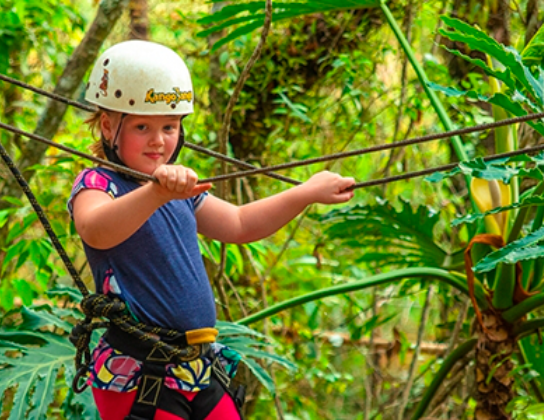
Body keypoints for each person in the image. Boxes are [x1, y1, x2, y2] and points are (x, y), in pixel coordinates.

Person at [68, 40, 355, 420]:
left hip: (198, 367)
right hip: (140, 372)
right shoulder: (99, 184)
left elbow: (239, 223)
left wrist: (305, 193)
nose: (158, 140)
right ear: (108, 126)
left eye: (170, 127)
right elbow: (95, 229)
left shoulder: (177, 189)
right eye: (142, 126)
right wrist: (156, 192)